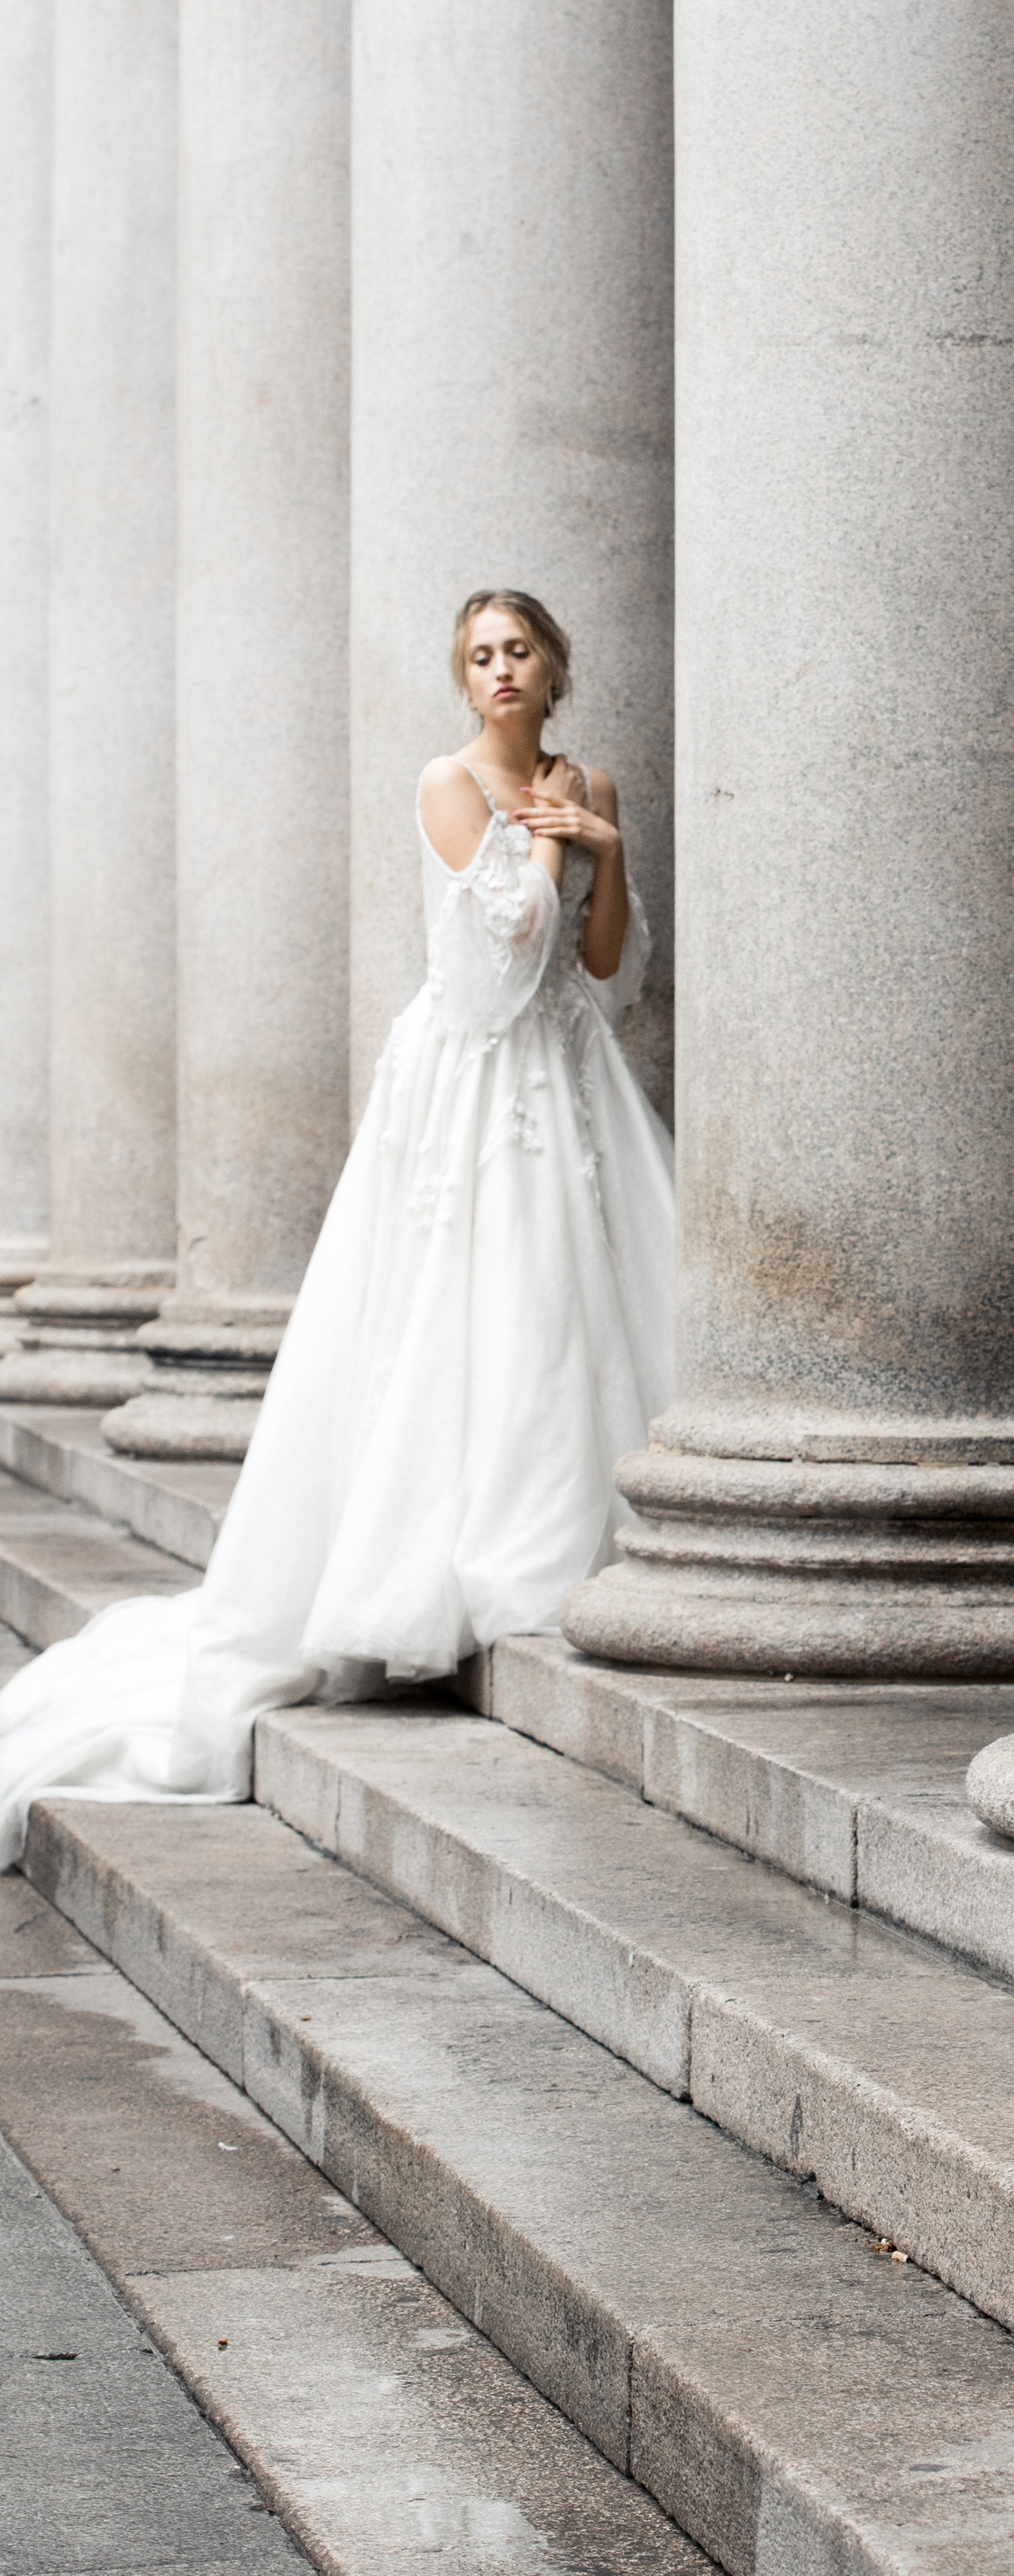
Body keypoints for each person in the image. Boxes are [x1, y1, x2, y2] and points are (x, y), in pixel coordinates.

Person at [0, 591, 673, 1868]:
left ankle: (568, 1535)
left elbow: (602, 966)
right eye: (479, 654)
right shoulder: (449, 779)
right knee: (481, 1300)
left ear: (555, 664)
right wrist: (541, 845)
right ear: (463, 679)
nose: (500, 670)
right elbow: (492, 966)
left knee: (574, 1296)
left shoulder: (590, 778)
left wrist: (607, 844)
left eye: (518, 648)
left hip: (565, 1071)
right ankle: (465, 1556)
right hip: (472, 1077)